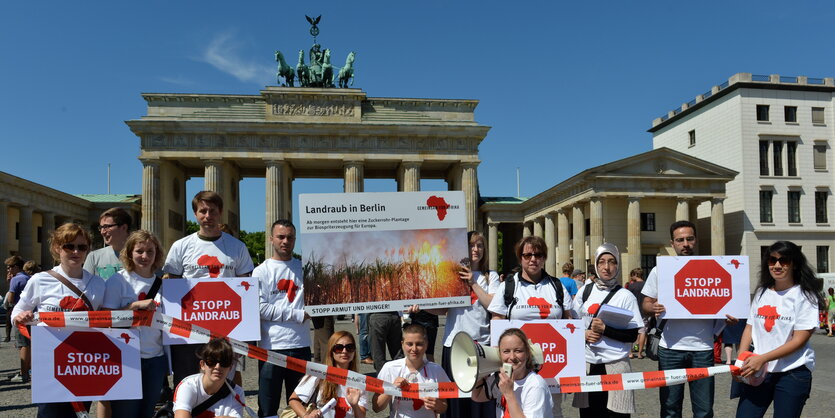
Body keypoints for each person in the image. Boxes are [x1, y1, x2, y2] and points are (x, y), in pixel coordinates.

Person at [12, 222, 107, 417]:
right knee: (50, 413)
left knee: (79, 413)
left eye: (82, 247)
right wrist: (20, 317)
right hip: (49, 362)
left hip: (83, 362)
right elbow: (17, 312)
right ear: (57, 248)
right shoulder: (40, 279)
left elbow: (106, 321)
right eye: (69, 246)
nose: (75, 251)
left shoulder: (98, 284)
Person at [641, 220, 732, 418]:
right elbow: (646, 303)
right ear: (672, 243)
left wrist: (731, 317)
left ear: (696, 240)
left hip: (703, 349)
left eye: (689, 239)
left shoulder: (711, 267)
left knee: (704, 410)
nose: (685, 244)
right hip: (670, 349)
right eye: (680, 240)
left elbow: (726, 304)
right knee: (670, 408)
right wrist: (652, 307)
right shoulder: (660, 270)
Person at [163, 191, 254, 386]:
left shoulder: (237, 247)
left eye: (212, 211)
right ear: (195, 214)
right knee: (187, 382)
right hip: (189, 332)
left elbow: (245, 290)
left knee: (223, 384)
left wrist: (244, 335)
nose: (207, 216)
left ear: (220, 212)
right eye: (202, 211)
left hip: (226, 330)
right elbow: (172, 289)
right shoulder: (180, 246)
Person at [733, 241, 822, 417]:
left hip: (792, 373)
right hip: (758, 371)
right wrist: (741, 360)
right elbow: (749, 328)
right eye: (772, 260)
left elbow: (799, 340)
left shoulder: (805, 296)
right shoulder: (762, 292)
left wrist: (764, 358)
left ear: (794, 264)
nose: (777, 265)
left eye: (784, 261)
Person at [488, 235, 572, 417]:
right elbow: (496, 321)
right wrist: (498, 361)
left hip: (555, 365)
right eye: (527, 255)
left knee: (553, 411)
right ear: (520, 258)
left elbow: (569, 322)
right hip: (518, 368)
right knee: (516, 408)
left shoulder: (557, 286)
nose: (533, 259)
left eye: (538, 254)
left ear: (544, 258)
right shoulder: (508, 286)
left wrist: (573, 367)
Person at [102, 230, 168, 418]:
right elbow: (106, 318)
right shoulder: (118, 280)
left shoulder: (164, 284)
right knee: (125, 413)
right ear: (130, 252)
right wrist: (134, 306)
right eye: (139, 251)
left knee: (147, 412)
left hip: (155, 357)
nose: (145, 256)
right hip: (125, 357)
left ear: (157, 254)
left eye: (150, 251)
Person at [572, 243, 642, 417]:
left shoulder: (626, 296)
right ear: (596, 265)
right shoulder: (585, 292)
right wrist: (584, 333)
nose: (607, 267)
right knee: (589, 414)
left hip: (616, 364)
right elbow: (571, 324)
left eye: (612, 262)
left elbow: (632, 335)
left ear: (617, 265)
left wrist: (605, 329)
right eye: (602, 262)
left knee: (617, 415)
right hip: (588, 365)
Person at [254, 219, 312, 417]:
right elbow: (261, 309)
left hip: (301, 344)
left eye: (290, 237)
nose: (285, 241)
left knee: (299, 407)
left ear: (295, 240)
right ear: (271, 239)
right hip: (271, 347)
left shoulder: (306, 268)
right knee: (268, 408)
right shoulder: (261, 270)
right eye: (281, 237)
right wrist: (297, 315)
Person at [439, 231, 500, 418]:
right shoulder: (451, 274)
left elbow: (492, 304)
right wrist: (419, 307)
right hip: (454, 344)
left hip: (482, 345)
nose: (476, 249)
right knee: (457, 401)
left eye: (480, 245)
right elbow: (442, 309)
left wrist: (473, 282)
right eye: (472, 245)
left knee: (481, 400)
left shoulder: (491, 276)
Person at [471, 327, 553, 417]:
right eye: (506, 351)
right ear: (499, 354)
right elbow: (477, 396)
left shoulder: (535, 385)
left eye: (518, 351)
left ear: (527, 353)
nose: (512, 357)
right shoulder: (502, 378)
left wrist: (509, 393)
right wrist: (480, 370)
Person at [373, 324, 450, 417]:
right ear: (402, 344)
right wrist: (392, 389)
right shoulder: (389, 368)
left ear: (426, 345)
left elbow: (444, 407)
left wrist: (437, 405)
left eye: (419, 344)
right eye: (409, 344)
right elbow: (376, 407)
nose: (414, 349)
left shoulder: (436, 370)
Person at [288, 331, 368, 418]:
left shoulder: (360, 381)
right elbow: (293, 400)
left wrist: (355, 405)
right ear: (331, 351)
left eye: (350, 347)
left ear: (354, 351)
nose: (344, 351)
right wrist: (306, 416)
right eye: (339, 348)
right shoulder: (318, 374)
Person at [172, 338, 247, 418]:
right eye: (211, 362)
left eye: (224, 362)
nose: (217, 367)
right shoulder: (188, 386)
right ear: (202, 365)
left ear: (230, 367)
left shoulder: (237, 393)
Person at [84, 207, 132, 279]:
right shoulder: (94, 257)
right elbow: (85, 286)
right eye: (101, 227)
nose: (102, 232)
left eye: (106, 227)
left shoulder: (143, 256)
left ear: (124, 227)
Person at [5, 255, 30, 381]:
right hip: (32, 315)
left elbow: (10, 299)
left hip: (20, 315)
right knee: (29, 345)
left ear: (16, 267)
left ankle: (23, 373)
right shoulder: (29, 277)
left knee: (23, 345)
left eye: (9, 267)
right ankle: (28, 371)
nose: (8, 270)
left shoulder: (16, 279)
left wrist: (10, 283)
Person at [626, 268, 646, 359]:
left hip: (632, 311)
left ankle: (630, 353)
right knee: (642, 332)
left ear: (635, 275)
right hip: (643, 311)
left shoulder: (631, 286)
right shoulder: (646, 285)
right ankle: (639, 353)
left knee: (631, 332)